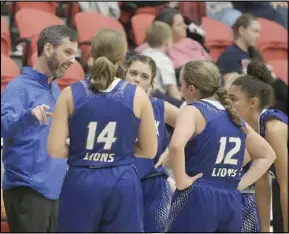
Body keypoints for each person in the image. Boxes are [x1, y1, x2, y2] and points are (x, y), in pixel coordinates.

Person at [47, 29, 158, 232]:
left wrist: (86, 153)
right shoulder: (138, 96)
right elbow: (149, 151)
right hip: (122, 181)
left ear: (90, 53)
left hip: (81, 180)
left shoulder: (70, 93)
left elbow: (55, 149)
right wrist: (119, 150)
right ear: (123, 57)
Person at [165, 60, 276, 232]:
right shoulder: (233, 116)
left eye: (182, 85)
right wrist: (238, 184)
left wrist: (181, 180)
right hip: (231, 200)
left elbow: (176, 146)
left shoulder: (192, 110)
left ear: (192, 89)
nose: (180, 89)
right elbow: (267, 154)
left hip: (198, 195)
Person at [1, 25, 78, 232]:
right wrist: (28, 117)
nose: (73, 60)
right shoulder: (18, 87)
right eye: (68, 52)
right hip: (28, 190)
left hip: (54, 189)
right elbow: (4, 127)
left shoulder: (54, 88)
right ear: (48, 49)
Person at [121, 54, 179, 232]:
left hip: (154, 186)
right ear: (124, 74)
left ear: (151, 82)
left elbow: (194, 126)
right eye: (133, 73)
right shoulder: (111, 103)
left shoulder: (160, 107)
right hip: (121, 184)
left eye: (144, 76)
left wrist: (170, 150)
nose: (137, 79)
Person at [229, 60, 288, 232]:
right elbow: (262, 184)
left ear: (253, 103)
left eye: (234, 99)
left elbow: (286, 186)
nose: (228, 105)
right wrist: (264, 230)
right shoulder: (251, 130)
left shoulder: (273, 129)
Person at [142, 21, 182, 101]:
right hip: (154, 100)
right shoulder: (164, 61)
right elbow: (173, 93)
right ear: (166, 43)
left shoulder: (143, 53)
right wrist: (181, 101)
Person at [217, 14, 261, 85]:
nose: (258, 36)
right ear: (241, 30)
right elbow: (230, 87)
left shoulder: (254, 53)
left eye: (259, 32)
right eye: (255, 31)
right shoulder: (229, 55)